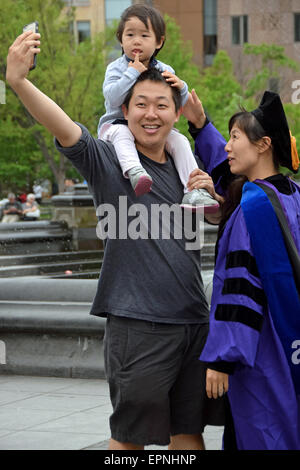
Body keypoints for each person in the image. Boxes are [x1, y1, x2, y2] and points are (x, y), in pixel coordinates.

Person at [6, 31, 226, 450]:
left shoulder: (187, 173)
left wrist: (212, 196)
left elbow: (221, 219)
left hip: (194, 322)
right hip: (138, 324)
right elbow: (66, 127)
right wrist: (19, 82)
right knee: (130, 441)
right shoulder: (111, 163)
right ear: (124, 110)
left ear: (175, 114)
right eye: (141, 104)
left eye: (162, 105)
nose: (151, 114)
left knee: (188, 434)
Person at [187, 89, 300, 450]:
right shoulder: (291, 195)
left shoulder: (252, 209)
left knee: (263, 433)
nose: (228, 147)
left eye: (235, 137)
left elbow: (240, 287)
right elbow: (227, 175)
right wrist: (202, 126)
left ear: (264, 144)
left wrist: (223, 358)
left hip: (261, 350)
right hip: (292, 341)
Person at [98, 4, 219, 213]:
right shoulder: (116, 68)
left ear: (159, 41)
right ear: (121, 39)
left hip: (152, 128)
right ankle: (135, 172)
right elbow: (113, 98)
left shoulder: (164, 69)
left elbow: (176, 102)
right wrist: (132, 74)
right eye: (130, 35)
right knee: (122, 133)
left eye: (144, 35)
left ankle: (194, 190)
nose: (136, 40)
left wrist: (182, 88)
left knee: (179, 140)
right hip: (116, 125)